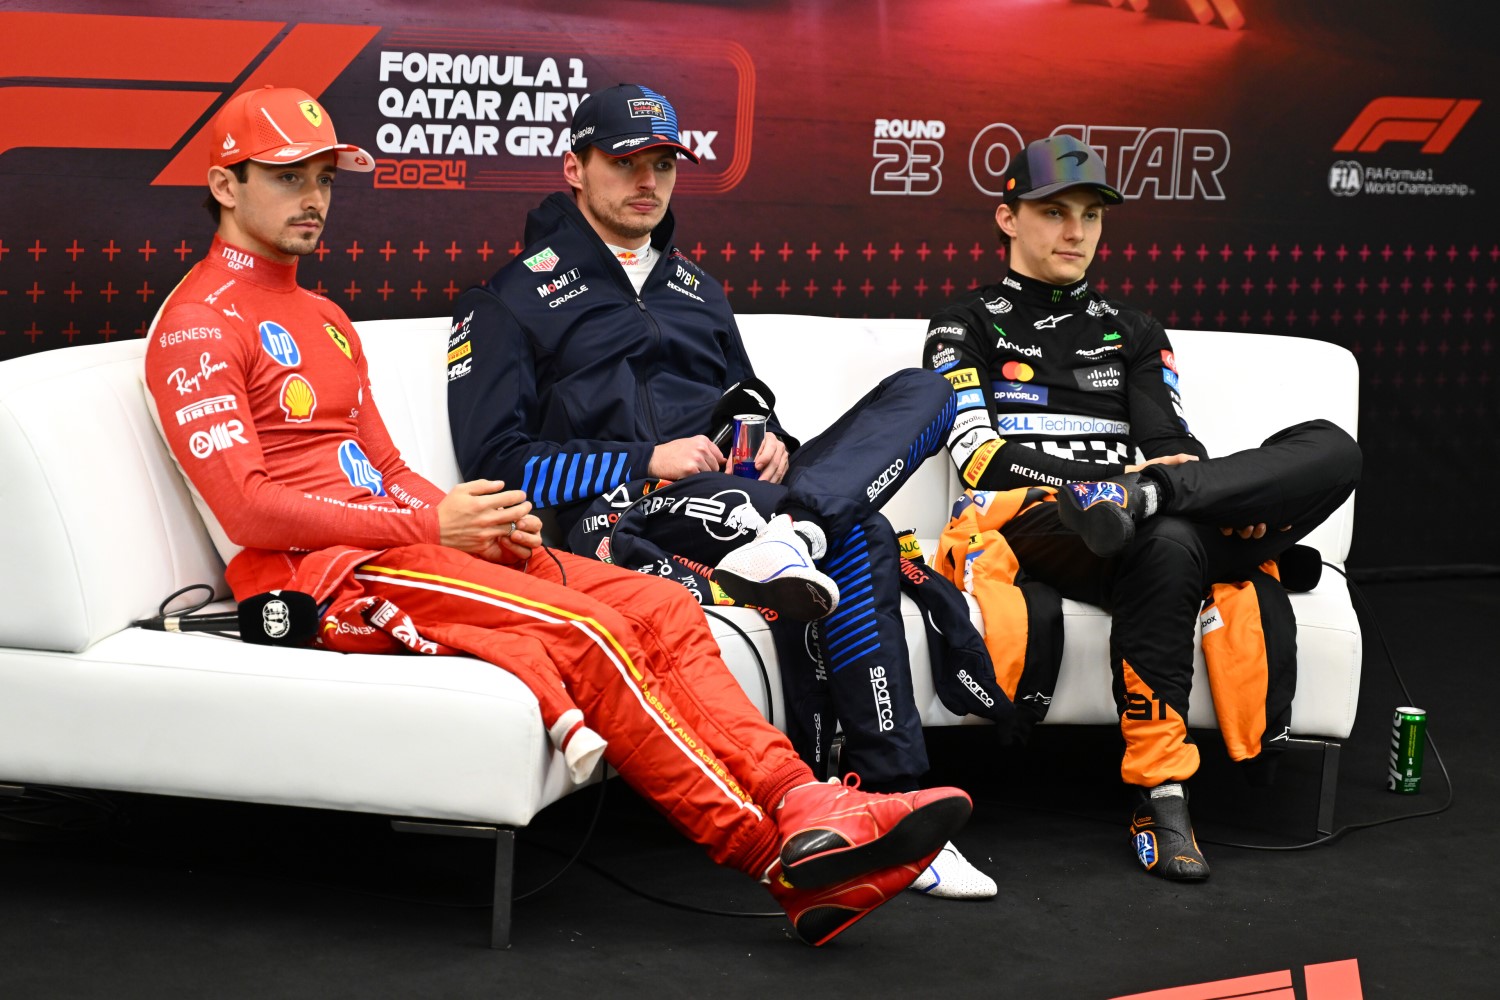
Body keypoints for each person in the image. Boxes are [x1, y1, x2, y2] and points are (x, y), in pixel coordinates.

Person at [142, 84, 975, 947]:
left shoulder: (323, 316)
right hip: (330, 575)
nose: (313, 199)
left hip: (408, 546)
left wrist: (485, 519)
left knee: (661, 608)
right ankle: (777, 857)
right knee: (594, 632)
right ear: (225, 185)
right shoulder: (197, 325)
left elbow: (385, 468)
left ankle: (807, 799)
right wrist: (434, 528)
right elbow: (247, 510)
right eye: (287, 178)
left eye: (323, 177)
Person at [447, 83, 996, 900]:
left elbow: (746, 400)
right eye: (626, 161)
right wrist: (643, 460)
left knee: (926, 391)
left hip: (748, 499)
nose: (648, 180)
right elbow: (496, 466)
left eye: (663, 162)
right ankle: (883, 798)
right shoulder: (508, 296)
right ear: (574, 166)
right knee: (862, 536)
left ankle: (798, 529)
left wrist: (770, 439)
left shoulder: (698, 289)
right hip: (626, 517)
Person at [922, 135, 1361, 881]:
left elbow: (1170, 441)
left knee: (1329, 450)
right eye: (1054, 212)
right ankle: (1163, 793)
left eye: (1091, 215)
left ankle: (1160, 791)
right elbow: (980, 458)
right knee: (1171, 529)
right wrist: (1105, 489)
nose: (1076, 232)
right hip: (1042, 522)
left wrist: (1168, 486)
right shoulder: (961, 324)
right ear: (1006, 218)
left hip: (1148, 520)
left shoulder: (1135, 328)